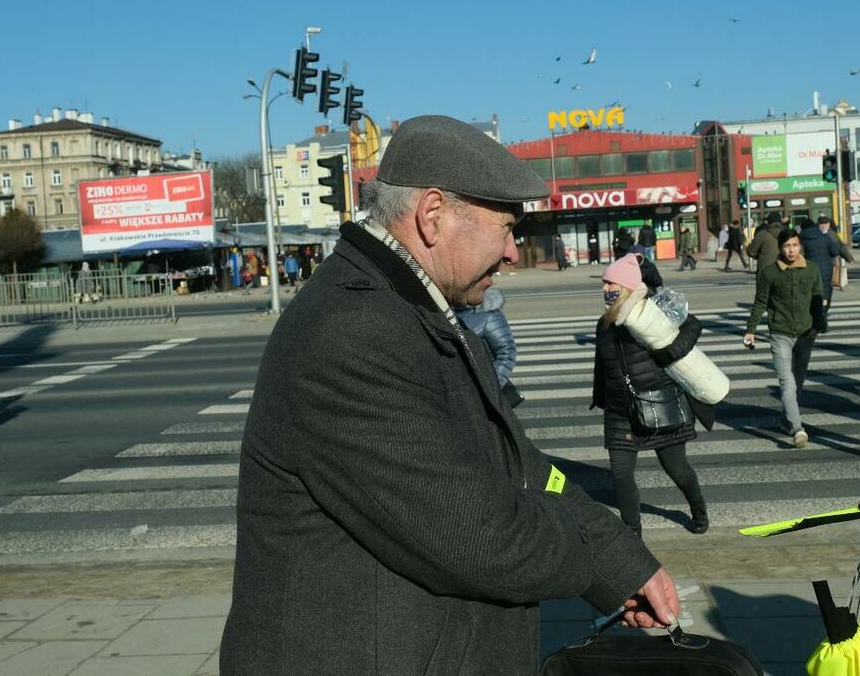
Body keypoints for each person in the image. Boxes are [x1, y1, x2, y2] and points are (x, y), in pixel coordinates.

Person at [222, 116, 678, 676]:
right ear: (433, 214)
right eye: (506, 228)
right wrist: (586, 554)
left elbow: (526, 468)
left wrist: (616, 561)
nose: (513, 252)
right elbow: (485, 538)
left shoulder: (415, 309)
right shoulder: (354, 332)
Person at [592, 254, 708, 536]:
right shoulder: (604, 323)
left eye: (611, 283)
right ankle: (633, 532)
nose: (605, 288)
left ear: (629, 285)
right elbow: (602, 365)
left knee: (677, 468)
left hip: (659, 404)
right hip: (620, 412)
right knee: (620, 474)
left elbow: (693, 325)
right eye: (604, 283)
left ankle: (698, 510)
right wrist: (601, 397)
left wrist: (670, 352)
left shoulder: (652, 313)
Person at [743, 228, 825, 448]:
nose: (792, 250)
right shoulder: (770, 273)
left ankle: (785, 418)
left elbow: (818, 298)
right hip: (780, 334)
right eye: (787, 246)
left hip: (806, 335)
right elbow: (760, 302)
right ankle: (798, 429)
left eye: (795, 245)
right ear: (780, 248)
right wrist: (750, 329)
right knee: (787, 385)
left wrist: (819, 325)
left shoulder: (812, 269)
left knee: (798, 383)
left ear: (800, 246)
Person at [455, 287, 517, 394]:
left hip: (482, 389)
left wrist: (491, 387)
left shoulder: (489, 315)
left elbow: (506, 353)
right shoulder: (448, 312)